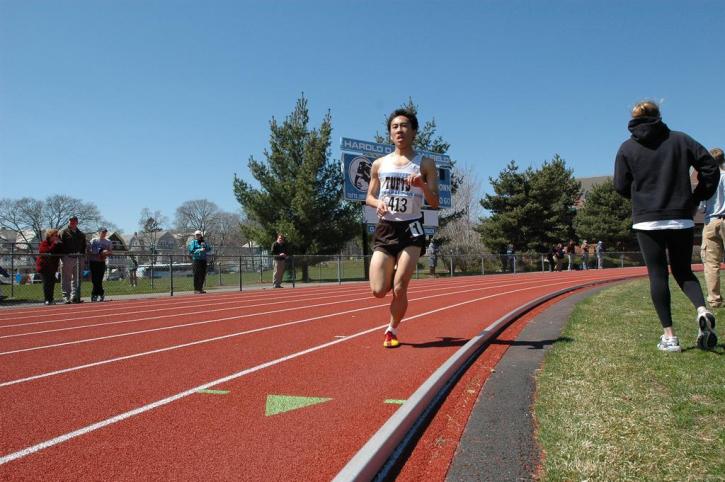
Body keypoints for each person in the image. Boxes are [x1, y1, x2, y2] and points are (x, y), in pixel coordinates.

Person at [614, 100, 719, 352]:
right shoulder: (680, 140)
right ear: (659, 115)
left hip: (647, 220)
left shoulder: (627, 148)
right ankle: (702, 310)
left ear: (634, 119)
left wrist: (642, 198)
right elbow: (710, 167)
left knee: (658, 275)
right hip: (680, 217)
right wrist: (695, 198)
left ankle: (670, 337)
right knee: (683, 271)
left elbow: (620, 185)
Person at [366, 108, 439, 348]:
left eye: (405, 126)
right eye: (395, 127)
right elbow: (369, 196)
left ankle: (391, 329)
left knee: (400, 286)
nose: (400, 130)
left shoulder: (425, 164)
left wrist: (421, 185)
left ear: (414, 132)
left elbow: (435, 202)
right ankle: (392, 271)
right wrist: (379, 203)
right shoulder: (379, 164)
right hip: (387, 228)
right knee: (378, 290)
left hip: (412, 229)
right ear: (389, 134)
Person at [700, 147, 725, 308]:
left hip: (711, 221)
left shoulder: (708, 180)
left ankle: (715, 299)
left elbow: (701, 205)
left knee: (711, 263)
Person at [60, 215, 87, 304]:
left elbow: (84, 246)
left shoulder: (81, 234)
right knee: (66, 278)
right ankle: (66, 297)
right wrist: (63, 256)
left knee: (77, 279)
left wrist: (83, 256)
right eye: (71, 221)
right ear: (69, 221)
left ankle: (75, 297)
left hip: (79, 258)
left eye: (74, 221)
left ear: (77, 222)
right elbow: (60, 245)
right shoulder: (63, 232)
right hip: (67, 257)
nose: (72, 222)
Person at [36, 229, 63, 305]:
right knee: (46, 283)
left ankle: (51, 299)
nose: (57, 237)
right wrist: (54, 244)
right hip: (44, 266)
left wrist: (60, 244)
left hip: (52, 267)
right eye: (55, 235)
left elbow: (60, 252)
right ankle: (47, 299)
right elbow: (46, 251)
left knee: (52, 283)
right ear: (50, 236)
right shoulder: (44, 243)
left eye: (57, 236)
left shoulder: (57, 244)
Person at [88, 228, 112, 302]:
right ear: (99, 232)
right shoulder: (94, 240)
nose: (104, 234)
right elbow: (89, 250)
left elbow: (110, 252)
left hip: (101, 262)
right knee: (94, 279)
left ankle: (96, 294)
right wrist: (98, 252)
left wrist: (105, 254)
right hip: (93, 261)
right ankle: (99, 293)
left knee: (99, 279)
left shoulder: (108, 241)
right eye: (102, 232)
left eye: (105, 232)